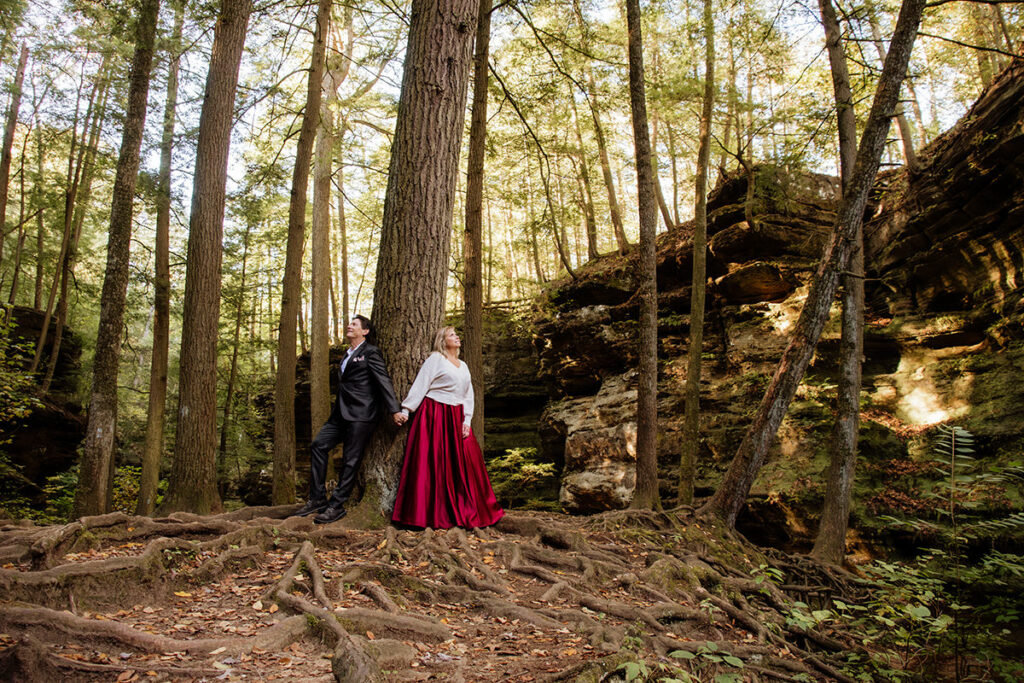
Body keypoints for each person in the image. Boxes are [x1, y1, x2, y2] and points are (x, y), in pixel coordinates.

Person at [294, 315, 405, 524]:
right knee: (318, 445)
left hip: (361, 415)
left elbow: (383, 381)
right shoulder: (346, 355)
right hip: (339, 414)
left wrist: (394, 410)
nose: (349, 326)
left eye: (354, 324)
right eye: (349, 323)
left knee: (350, 460)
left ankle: (336, 505)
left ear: (365, 331)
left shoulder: (370, 352)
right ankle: (317, 498)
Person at [391, 326, 504, 529]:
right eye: (451, 335)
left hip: (456, 416)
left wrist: (467, 420)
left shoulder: (464, 365)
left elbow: (468, 395)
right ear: (442, 341)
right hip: (433, 414)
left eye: (456, 334)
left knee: (465, 462)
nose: (457, 337)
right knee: (433, 463)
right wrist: (407, 409)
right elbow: (421, 384)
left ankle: (466, 510)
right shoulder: (436, 359)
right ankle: (429, 515)